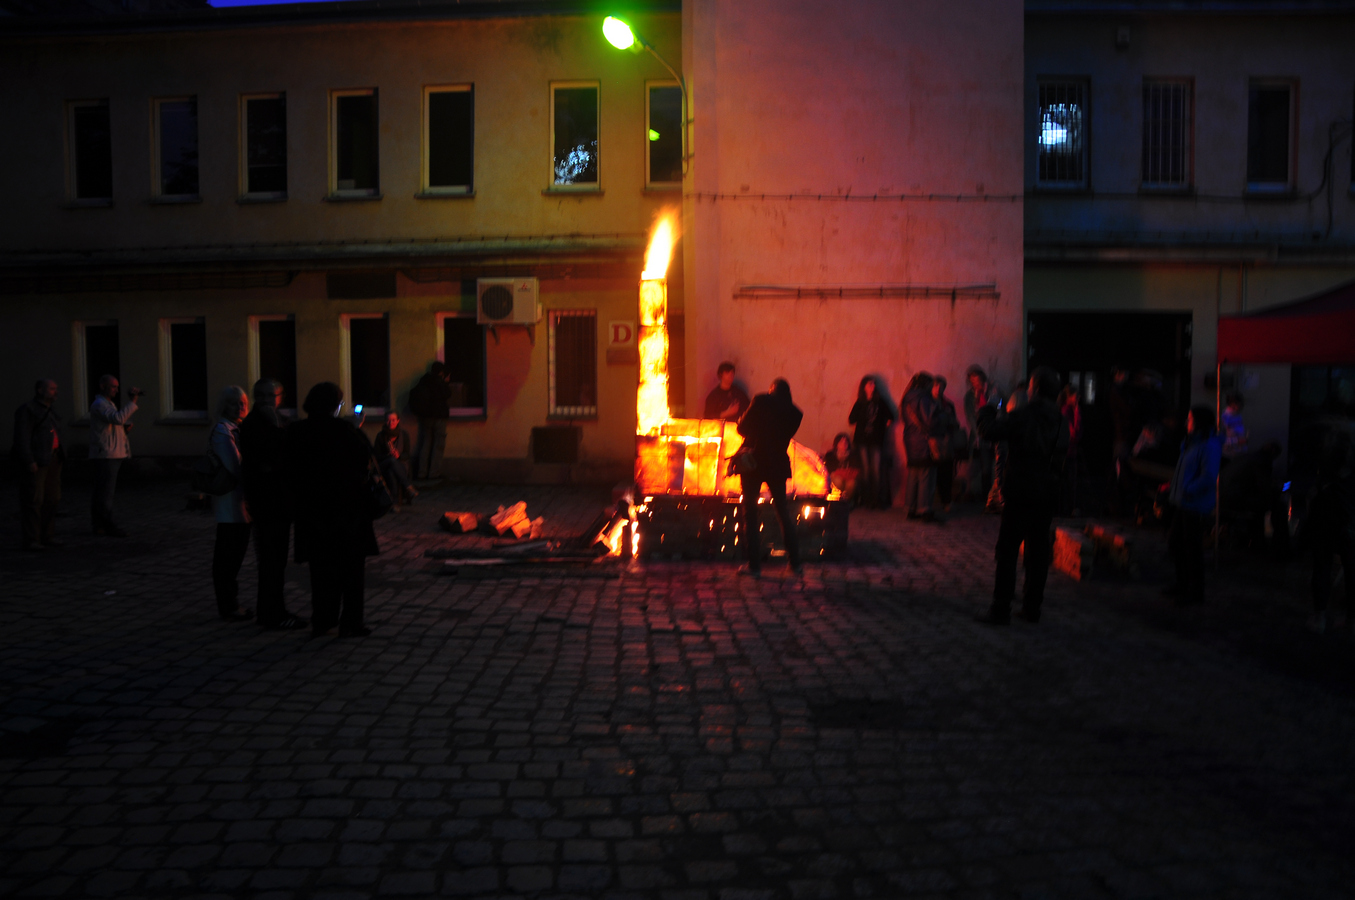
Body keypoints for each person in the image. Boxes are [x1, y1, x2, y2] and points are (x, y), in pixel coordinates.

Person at [975, 367, 1069, 625]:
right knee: (1037, 552)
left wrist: (989, 406)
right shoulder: (1062, 422)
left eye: (1030, 386)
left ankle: (1000, 608)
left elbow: (988, 431)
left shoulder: (1024, 415)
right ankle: (1031, 608)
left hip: (1020, 490)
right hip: (1046, 492)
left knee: (1007, 552)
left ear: (1035, 389)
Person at [286, 382, 378, 637]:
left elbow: (289, 469)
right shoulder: (345, 431)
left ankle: (323, 619)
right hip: (346, 512)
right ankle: (351, 622)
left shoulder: (297, 431)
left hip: (313, 512)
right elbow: (365, 461)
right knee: (351, 571)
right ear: (334, 405)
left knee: (320, 571)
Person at [239, 378, 306, 630]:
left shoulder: (277, 421)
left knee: (277, 561)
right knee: (271, 560)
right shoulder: (256, 423)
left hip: (278, 500)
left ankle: (275, 610)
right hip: (267, 501)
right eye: (262, 395)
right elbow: (273, 456)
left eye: (272, 395)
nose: (267, 400)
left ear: (281, 397)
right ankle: (271, 613)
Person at [735, 378, 804, 577]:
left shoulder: (760, 400)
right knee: (783, 512)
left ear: (771, 389)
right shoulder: (795, 414)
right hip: (777, 465)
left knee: (750, 512)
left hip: (754, 462)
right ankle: (795, 563)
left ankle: (754, 566)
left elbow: (742, 428)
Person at [1163, 407, 1223, 607]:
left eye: (1190, 419)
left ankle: (1195, 590)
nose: (1187, 422)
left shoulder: (1208, 446)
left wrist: (1188, 489)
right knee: (1177, 543)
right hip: (1183, 501)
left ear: (1199, 422)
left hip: (1194, 504)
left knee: (1191, 548)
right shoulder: (1191, 443)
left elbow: (1208, 476)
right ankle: (1183, 584)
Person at [211, 386, 254, 622]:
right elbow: (236, 466)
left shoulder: (237, 429)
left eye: (244, 402)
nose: (241, 406)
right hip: (230, 504)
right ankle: (228, 605)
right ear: (225, 405)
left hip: (240, 504)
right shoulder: (222, 431)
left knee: (234, 555)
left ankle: (231, 603)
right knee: (228, 557)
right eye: (235, 403)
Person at [1306, 431, 1355, 634]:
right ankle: (1351, 620)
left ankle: (1320, 616)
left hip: (1325, 527)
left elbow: (1312, 500)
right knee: (1351, 570)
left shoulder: (1323, 477)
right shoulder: (1349, 477)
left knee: (1322, 569)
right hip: (1350, 527)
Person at [13, 378, 65, 551]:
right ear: (40, 390)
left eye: (55, 389)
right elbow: (22, 437)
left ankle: (47, 535)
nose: (55, 392)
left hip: (53, 458)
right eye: (51, 389)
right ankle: (32, 539)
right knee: (34, 499)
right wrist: (29, 460)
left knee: (52, 498)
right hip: (37, 460)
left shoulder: (50, 411)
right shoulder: (28, 410)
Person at [88, 374, 141, 537]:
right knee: (105, 493)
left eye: (117, 387)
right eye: (113, 386)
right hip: (106, 454)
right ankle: (106, 524)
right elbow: (117, 418)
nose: (116, 390)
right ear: (103, 386)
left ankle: (100, 525)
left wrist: (123, 430)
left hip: (111, 452)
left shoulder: (108, 404)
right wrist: (132, 402)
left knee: (103, 492)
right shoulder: (99, 404)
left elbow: (113, 425)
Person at [848, 376, 893, 508]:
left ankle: (876, 499)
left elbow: (891, 416)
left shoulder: (880, 402)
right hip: (862, 441)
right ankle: (867, 499)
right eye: (870, 384)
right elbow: (851, 419)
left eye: (873, 383)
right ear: (864, 387)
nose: (873, 386)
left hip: (876, 440)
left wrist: (882, 428)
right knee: (866, 470)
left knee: (876, 470)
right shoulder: (860, 402)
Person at [901, 372, 939, 521]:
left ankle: (910, 508)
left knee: (913, 474)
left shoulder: (907, 397)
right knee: (925, 474)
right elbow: (928, 419)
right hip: (922, 440)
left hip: (909, 439)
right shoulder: (923, 397)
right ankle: (924, 509)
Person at [963, 365, 1003, 503]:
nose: (976, 384)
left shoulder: (992, 392)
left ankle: (995, 496)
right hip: (981, 436)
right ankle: (985, 497)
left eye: (978, 380)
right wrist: (979, 433)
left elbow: (999, 407)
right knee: (985, 466)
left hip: (994, 433)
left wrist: (992, 394)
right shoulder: (969, 396)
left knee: (997, 466)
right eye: (973, 381)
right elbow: (970, 417)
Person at [409, 362, 452, 479]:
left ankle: (422, 473)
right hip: (438, 417)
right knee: (438, 444)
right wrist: (445, 382)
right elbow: (448, 394)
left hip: (425, 418)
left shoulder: (424, 380)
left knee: (425, 444)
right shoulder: (439, 382)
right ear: (441, 373)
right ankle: (434, 473)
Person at [374, 411, 417, 507]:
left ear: (398, 421)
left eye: (393, 420)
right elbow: (376, 456)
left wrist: (399, 456)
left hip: (400, 465)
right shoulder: (381, 436)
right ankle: (408, 487)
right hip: (384, 464)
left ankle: (395, 502)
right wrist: (389, 455)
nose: (391, 423)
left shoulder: (404, 435)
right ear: (385, 421)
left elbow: (407, 454)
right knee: (391, 461)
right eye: (388, 420)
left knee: (392, 472)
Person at [931, 376, 961, 511]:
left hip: (946, 442)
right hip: (932, 443)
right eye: (936, 386)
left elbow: (955, 423)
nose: (938, 389)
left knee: (946, 473)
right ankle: (930, 502)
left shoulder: (947, 405)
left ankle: (946, 501)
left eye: (941, 387)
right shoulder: (928, 403)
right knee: (933, 474)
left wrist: (951, 421)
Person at [1059, 384, 1082, 515]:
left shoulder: (1070, 410)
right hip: (1067, 452)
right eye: (1076, 396)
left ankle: (1067, 509)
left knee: (1069, 482)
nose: (1078, 398)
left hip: (1070, 451)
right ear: (1070, 397)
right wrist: (1078, 412)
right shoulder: (1067, 411)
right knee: (1068, 482)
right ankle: (1067, 510)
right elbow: (1075, 433)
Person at [823, 432, 860, 505]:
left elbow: (855, 469)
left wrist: (845, 473)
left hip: (848, 477)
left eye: (846, 441)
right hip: (836, 477)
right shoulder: (830, 455)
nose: (844, 443)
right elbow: (829, 469)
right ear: (837, 444)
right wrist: (839, 473)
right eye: (841, 442)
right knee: (838, 481)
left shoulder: (852, 455)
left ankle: (847, 502)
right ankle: (838, 501)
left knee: (851, 483)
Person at [1221, 391, 1248, 457]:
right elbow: (1220, 439)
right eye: (1239, 403)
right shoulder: (1225, 417)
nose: (1241, 405)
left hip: (1240, 452)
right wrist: (1237, 441)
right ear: (1232, 403)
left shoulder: (1238, 415)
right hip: (1229, 454)